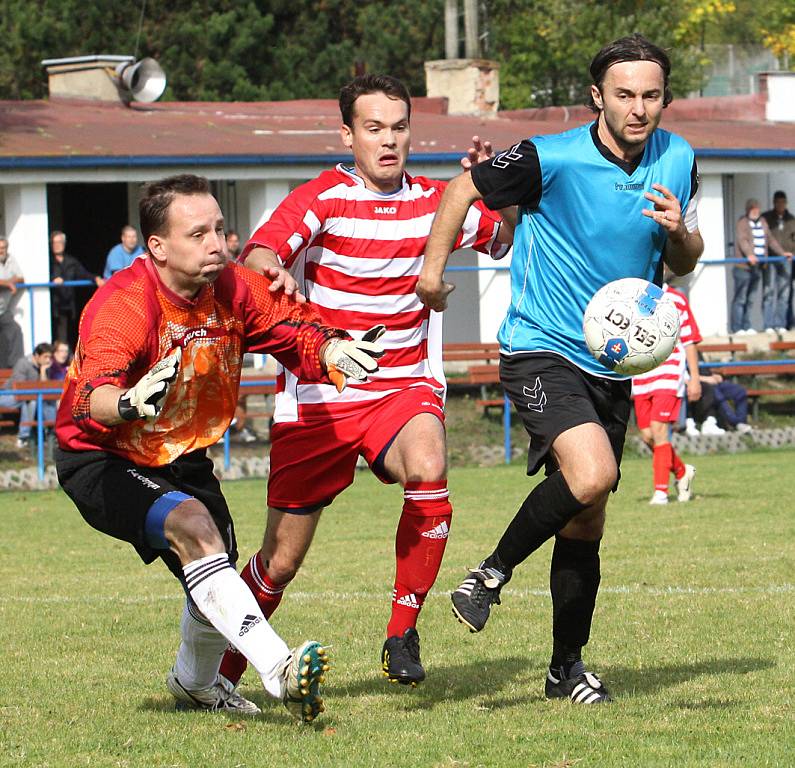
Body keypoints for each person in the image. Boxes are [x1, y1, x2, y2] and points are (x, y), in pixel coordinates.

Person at [417, 34, 703, 704]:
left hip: (613, 362)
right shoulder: (554, 156)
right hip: (540, 345)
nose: (638, 108)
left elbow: (684, 260)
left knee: (586, 516)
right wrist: (431, 274)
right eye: (624, 94)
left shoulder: (678, 156)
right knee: (594, 473)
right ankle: (487, 575)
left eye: (650, 95)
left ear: (664, 98)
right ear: (596, 97)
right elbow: (462, 188)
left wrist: (680, 228)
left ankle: (563, 669)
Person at [217, 73, 513, 691]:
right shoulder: (322, 197)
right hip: (319, 396)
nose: (388, 141)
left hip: (402, 387)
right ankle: (215, 672)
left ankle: (401, 631)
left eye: (398, 128)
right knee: (281, 561)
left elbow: (501, 236)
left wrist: (497, 189)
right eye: (373, 129)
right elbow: (259, 255)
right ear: (347, 133)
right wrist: (277, 275)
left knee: (429, 466)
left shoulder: (438, 200)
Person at [54, 174, 384, 720]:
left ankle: (193, 683)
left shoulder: (231, 287)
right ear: (157, 247)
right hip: (102, 455)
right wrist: (130, 403)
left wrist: (331, 351)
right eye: (198, 233)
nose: (217, 244)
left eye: (221, 230)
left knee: (216, 571)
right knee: (195, 529)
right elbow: (92, 396)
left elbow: (291, 329)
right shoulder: (124, 304)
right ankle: (278, 670)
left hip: (182, 454)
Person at [632, 282, 701, 504]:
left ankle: (661, 492)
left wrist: (695, 379)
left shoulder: (676, 299)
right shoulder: (632, 298)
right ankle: (682, 473)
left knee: (659, 430)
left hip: (669, 372)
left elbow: (689, 341)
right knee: (647, 435)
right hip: (641, 374)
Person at [732, 199, 790, 335]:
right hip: (743, 267)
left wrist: (782, 253)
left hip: (757, 267)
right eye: (753, 209)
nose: (756, 211)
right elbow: (743, 240)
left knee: (751, 298)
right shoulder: (743, 222)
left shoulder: (763, 222)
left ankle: (746, 326)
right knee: (740, 298)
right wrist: (750, 255)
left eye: (757, 209)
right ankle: (737, 328)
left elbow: (771, 240)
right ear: (748, 210)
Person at [49, 231, 104, 348]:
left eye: (60, 242)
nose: (57, 245)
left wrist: (95, 278)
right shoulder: (47, 261)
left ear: (64, 244)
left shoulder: (71, 261)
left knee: (73, 333)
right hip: (54, 305)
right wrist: (53, 279)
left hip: (69, 304)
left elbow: (83, 273)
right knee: (59, 335)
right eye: (55, 242)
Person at [0, 342, 55, 448]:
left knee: (42, 401)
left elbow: (46, 389)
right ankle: (24, 436)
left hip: (28, 398)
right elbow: (20, 387)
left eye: (50, 357)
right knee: (31, 400)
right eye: (45, 357)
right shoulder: (23, 363)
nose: (48, 360)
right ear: (37, 355)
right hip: (8, 395)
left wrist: (43, 371)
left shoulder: (44, 367)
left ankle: (51, 430)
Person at [762, 191, 795, 329]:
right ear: (774, 203)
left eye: (783, 202)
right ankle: (769, 325)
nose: (781, 205)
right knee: (768, 292)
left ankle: (781, 324)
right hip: (770, 260)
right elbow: (765, 238)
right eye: (778, 202)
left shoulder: (792, 219)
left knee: (784, 292)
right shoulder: (766, 218)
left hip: (786, 261)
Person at [0, 236, 25, 369]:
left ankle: (15, 367)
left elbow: (21, 278)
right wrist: (8, 283)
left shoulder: (10, 259)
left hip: (3, 310)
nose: (1, 251)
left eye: (3, 248)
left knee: (14, 330)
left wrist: (12, 281)